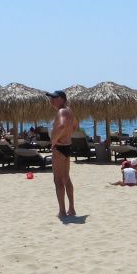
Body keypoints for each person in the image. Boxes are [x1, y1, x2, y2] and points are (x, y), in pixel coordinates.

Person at [48, 89, 77, 218]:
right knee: (66, 178)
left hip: (59, 148)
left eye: (54, 98)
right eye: (51, 98)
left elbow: (61, 126)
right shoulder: (69, 111)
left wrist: (54, 141)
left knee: (58, 180)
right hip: (67, 146)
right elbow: (75, 125)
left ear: (62, 99)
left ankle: (62, 211)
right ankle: (72, 209)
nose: (51, 100)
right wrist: (68, 136)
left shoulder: (61, 112)